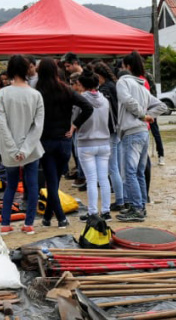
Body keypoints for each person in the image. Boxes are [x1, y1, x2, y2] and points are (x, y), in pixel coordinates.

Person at [36, 58, 92, 228]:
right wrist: (74, 125)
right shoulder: (66, 90)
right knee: (55, 181)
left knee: (51, 181)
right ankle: (47, 217)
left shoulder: (37, 92)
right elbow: (88, 107)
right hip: (64, 141)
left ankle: (60, 218)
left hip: (45, 141)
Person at [0, 54, 44, 235]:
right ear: (26, 70)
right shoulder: (35, 95)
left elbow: (2, 123)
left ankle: (5, 223)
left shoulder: (3, 93)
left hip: (10, 149)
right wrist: (25, 149)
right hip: (31, 150)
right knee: (32, 186)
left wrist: (13, 149)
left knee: (11, 186)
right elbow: (38, 126)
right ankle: (29, 223)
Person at [115, 52, 165, 222]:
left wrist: (143, 115)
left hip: (132, 131)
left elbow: (126, 100)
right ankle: (140, 205)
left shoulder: (123, 82)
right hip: (143, 132)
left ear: (126, 67)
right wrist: (148, 116)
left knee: (130, 172)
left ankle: (137, 208)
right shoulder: (142, 87)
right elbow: (161, 105)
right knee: (138, 172)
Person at [74, 69, 112, 220]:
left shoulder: (80, 100)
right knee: (103, 178)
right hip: (104, 142)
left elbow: (75, 120)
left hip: (86, 142)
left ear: (82, 84)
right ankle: (106, 211)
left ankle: (92, 212)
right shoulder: (105, 100)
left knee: (91, 179)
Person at [93, 62, 124, 211]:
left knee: (113, 168)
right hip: (117, 129)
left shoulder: (105, 89)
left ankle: (120, 200)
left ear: (99, 76)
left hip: (110, 131)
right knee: (116, 167)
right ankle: (121, 198)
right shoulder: (114, 85)